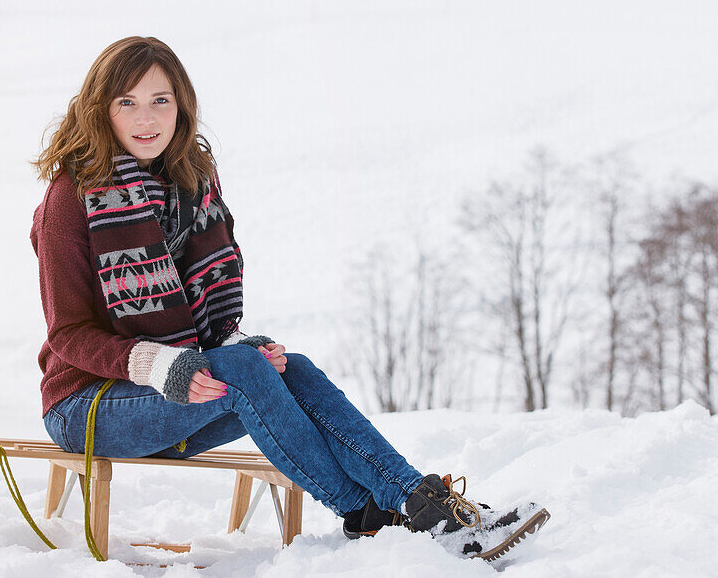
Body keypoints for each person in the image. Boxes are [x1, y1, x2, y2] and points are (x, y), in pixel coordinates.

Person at [31, 36, 548, 559]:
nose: (147, 118)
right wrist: (161, 365)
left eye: (160, 100)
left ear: (181, 106)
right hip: (89, 407)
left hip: (174, 398)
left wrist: (241, 347)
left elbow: (202, 324)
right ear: (102, 108)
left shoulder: (188, 186)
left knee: (287, 368)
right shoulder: (71, 198)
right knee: (245, 370)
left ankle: (413, 502)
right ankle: (370, 512)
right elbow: (69, 335)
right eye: (128, 102)